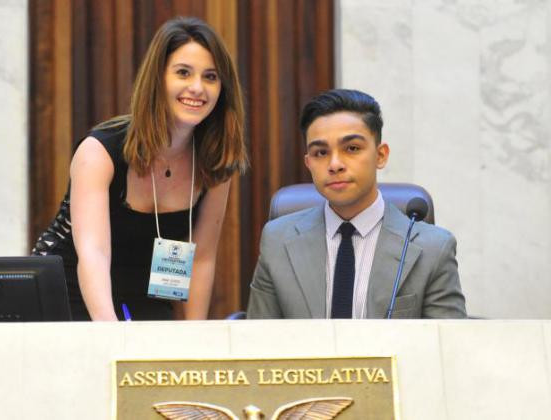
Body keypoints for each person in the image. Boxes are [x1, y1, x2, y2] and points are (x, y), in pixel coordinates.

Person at [33, 17, 247, 321]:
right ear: (157, 79)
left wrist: (193, 340)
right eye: (183, 73)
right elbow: (94, 254)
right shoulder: (99, 152)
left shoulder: (215, 161)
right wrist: (111, 338)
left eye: (211, 77)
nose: (198, 88)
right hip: (69, 294)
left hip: (149, 296)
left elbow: (201, 259)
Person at [247, 89, 466, 319]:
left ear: (380, 155)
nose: (335, 164)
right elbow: (258, 344)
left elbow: (448, 349)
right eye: (321, 152)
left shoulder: (434, 249)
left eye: (351, 148)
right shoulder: (277, 241)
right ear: (308, 163)